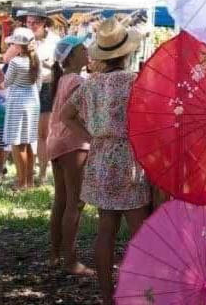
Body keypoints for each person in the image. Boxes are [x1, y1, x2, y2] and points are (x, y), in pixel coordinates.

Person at [57, 19, 150, 305]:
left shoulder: (91, 84)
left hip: (99, 159)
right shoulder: (136, 81)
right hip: (129, 158)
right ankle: (143, 292)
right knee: (140, 230)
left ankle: (108, 295)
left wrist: (93, 136)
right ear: (126, 53)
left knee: (105, 229)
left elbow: (65, 115)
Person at [47, 36, 93, 276]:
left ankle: (55, 255)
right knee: (75, 202)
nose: (88, 52)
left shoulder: (64, 78)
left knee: (61, 201)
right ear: (73, 56)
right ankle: (71, 261)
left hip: (55, 142)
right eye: (84, 49)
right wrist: (91, 137)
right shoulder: (78, 80)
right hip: (73, 144)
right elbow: (77, 115)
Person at [0, 27, 41, 190]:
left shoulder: (16, 62)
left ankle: (21, 182)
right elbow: (38, 86)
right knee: (29, 143)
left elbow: (6, 83)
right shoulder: (36, 60)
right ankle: (29, 182)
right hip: (32, 102)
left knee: (18, 145)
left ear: (18, 45)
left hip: (18, 102)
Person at [23, 9, 60, 184]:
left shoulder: (54, 41)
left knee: (43, 133)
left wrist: (43, 61)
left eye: (34, 22)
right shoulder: (23, 38)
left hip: (46, 86)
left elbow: (58, 65)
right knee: (28, 131)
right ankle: (28, 171)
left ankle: (43, 172)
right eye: (28, 22)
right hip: (28, 86)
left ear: (44, 22)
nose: (31, 26)